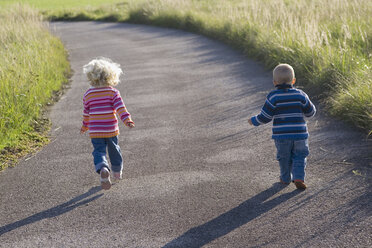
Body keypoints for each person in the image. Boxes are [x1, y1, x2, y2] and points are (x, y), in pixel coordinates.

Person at [248, 64, 316, 189]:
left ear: (274, 82)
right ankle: (299, 177)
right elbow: (311, 112)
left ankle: (285, 178)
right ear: (294, 80)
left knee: (284, 157)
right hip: (300, 134)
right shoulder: (301, 95)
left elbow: (265, 117)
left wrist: (254, 121)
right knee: (300, 156)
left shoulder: (273, 97)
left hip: (282, 136)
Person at [80, 57, 134, 190]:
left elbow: (86, 113)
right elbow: (121, 108)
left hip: (95, 130)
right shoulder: (113, 92)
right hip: (110, 129)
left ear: (91, 77)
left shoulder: (88, 94)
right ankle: (116, 172)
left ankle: (103, 167)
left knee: (98, 151)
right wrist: (127, 120)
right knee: (114, 149)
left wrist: (84, 126)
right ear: (111, 76)